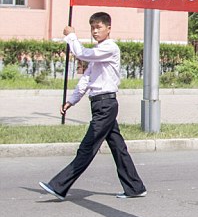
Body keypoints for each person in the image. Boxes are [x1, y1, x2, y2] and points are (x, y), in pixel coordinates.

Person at [39, 12, 147, 201]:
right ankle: (135, 187)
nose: (95, 31)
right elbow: (86, 79)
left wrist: (71, 36)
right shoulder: (98, 54)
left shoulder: (109, 48)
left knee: (87, 148)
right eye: (92, 28)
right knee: (118, 148)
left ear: (108, 29)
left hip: (106, 105)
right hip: (100, 104)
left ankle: (59, 186)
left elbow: (82, 53)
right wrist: (71, 101)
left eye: (99, 27)